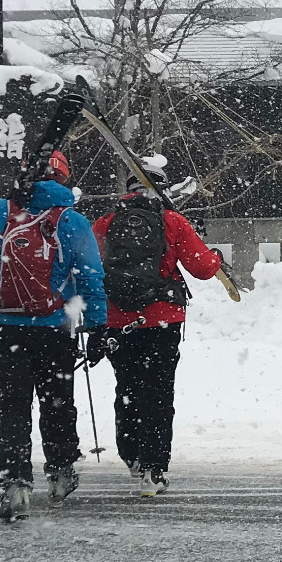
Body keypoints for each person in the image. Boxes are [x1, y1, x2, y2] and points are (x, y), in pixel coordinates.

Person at [0, 149, 106, 522]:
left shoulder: (1, 210)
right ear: (63, 179)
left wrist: (8, 198)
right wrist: (97, 324)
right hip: (54, 327)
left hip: (4, 325)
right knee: (56, 402)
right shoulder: (70, 219)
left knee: (11, 406)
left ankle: (15, 483)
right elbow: (91, 275)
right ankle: (60, 472)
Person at [90, 166, 223, 496]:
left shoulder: (106, 223)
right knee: (158, 394)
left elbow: (88, 266)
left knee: (128, 389)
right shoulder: (172, 222)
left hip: (118, 321)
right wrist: (216, 257)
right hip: (161, 320)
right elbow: (203, 268)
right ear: (162, 190)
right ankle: (154, 470)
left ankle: (132, 457)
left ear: (129, 189)